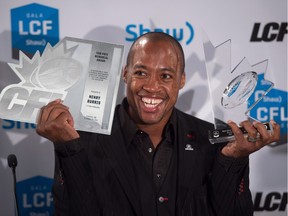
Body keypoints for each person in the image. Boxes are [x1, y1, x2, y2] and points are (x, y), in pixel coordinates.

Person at [36, 32, 280, 216]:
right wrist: (68, 149)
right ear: (125, 74)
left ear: (181, 80)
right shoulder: (82, 137)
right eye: (141, 73)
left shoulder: (210, 138)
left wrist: (232, 160)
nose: (151, 86)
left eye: (165, 76)